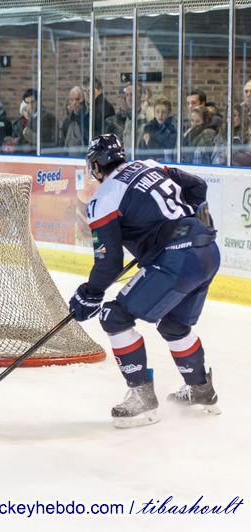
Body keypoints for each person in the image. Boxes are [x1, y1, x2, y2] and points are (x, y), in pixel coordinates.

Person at [69, 133, 220, 428]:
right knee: (174, 326)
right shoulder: (150, 165)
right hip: (207, 251)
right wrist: (189, 217)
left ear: (96, 165)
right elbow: (198, 186)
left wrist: (90, 293)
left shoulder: (103, 198)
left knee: (114, 316)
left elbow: (110, 262)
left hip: (177, 258)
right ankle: (201, 390)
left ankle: (142, 398)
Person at [138, 97, 176, 161]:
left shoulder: (173, 129)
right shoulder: (148, 127)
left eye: (164, 112)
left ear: (169, 113)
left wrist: (150, 142)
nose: (160, 115)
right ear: (154, 112)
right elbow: (140, 151)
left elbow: (167, 152)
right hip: (147, 163)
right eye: (157, 111)